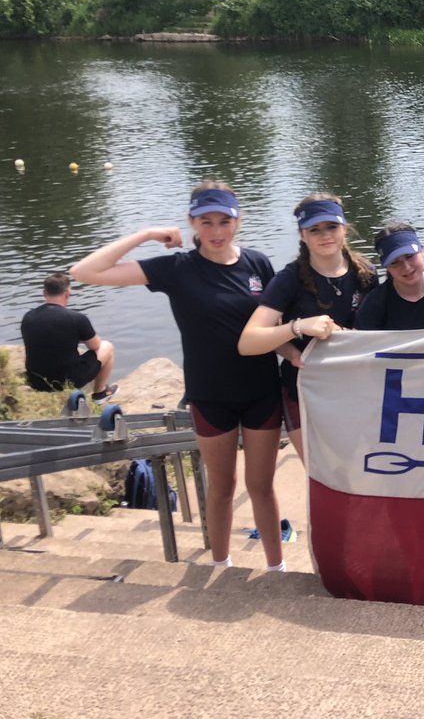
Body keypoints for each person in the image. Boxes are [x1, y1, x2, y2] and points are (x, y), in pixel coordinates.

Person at [70, 182, 286, 571]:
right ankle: (221, 564)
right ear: (191, 223)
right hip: (210, 394)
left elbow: (278, 326)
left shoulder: (258, 264)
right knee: (221, 489)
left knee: (262, 487)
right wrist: (146, 234)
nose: (216, 231)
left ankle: (276, 568)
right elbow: (84, 272)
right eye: (206, 222)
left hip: (262, 391)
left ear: (238, 222)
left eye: (224, 221)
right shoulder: (176, 268)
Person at [238, 194, 379, 464]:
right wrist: (298, 328)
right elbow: (248, 342)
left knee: (359, 471)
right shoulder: (288, 279)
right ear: (303, 235)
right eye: (315, 229)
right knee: (321, 477)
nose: (325, 235)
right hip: (303, 392)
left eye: (331, 227)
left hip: (354, 389)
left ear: (344, 228)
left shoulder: (367, 274)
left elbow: (377, 333)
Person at [20, 272, 118, 402]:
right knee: (107, 347)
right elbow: (96, 345)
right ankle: (100, 394)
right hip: (66, 381)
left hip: (36, 381)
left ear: (44, 293)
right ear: (67, 294)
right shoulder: (76, 319)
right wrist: (79, 336)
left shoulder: (28, 317)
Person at [354, 223, 424, 330]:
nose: (406, 267)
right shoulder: (374, 302)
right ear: (387, 267)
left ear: (422, 251)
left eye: (410, 256)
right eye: (395, 262)